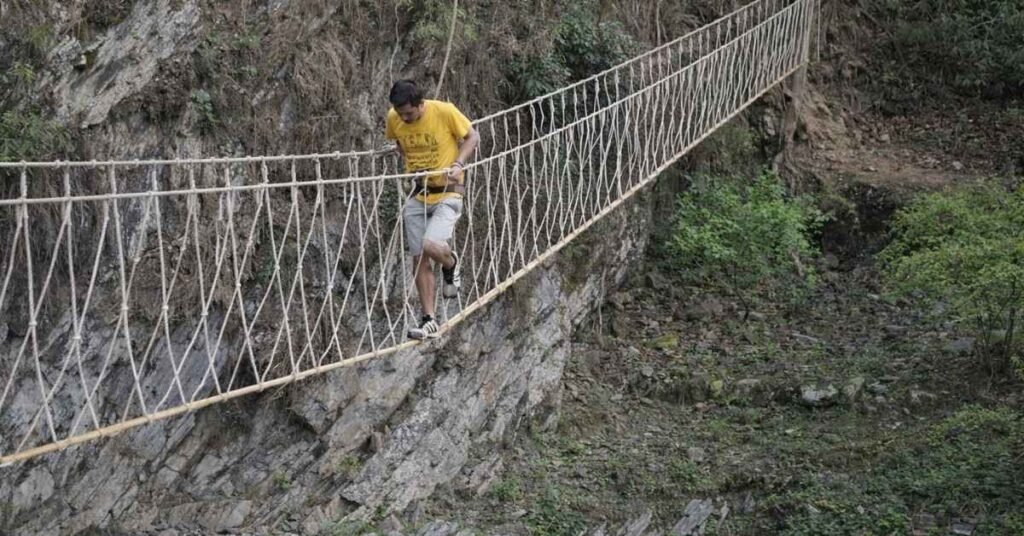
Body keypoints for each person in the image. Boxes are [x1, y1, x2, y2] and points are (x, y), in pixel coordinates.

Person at [385, 80, 480, 340]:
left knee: (430, 245)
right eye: (400, 113)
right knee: (418, 258)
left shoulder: (444, 111)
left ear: (421, 104)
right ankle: (429, 319)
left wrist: (459, 163)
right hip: (418, 194)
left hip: (449, 191)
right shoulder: (394, 118)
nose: (404, 118)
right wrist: (403, 157)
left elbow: (473, 135)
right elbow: (400, 144)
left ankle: (451, 262)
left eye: (409, 113)